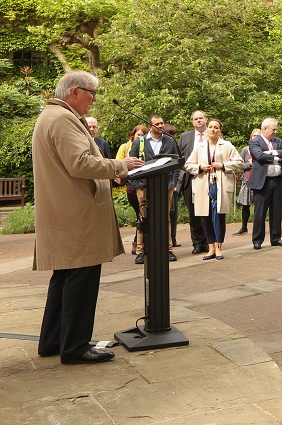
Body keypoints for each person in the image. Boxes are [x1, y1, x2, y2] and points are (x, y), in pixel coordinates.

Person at [33, 71, 143, 365]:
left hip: (67, 212)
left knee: (64, 278)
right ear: (75, 92)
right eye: (92, 93)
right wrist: (121, 165)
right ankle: (76, 347)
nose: (94, 99)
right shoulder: (62, 118)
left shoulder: (53, 115)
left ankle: (54, 341)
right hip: (76, 214)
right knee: (81, 280)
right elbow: (79, 163)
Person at [184, 119, 243, 260]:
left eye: (216, 127)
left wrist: (222, 165)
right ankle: (210, 248)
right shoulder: (200, 146)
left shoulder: (226, 145)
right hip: (204, 184)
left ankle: (218, 247)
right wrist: (200, 167)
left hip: (220, 184)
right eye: (210, 127)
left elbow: (239, 162)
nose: (212, 130)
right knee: (206, 216)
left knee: (219, 216)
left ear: (219, 130)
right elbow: (188, 164)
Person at [128, 115, 180, 264]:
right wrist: (136, 184)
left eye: (162, 123)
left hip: (165, 186)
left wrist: (174, 182)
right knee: (144, 217)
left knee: (165, 217)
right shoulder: (140, 142)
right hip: (144, 186)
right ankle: (140, 250)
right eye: (157, 124)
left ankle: (168, 249)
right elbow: (131, 163)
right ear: (150, 126)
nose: (161, 126)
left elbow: (177, 162)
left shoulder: (169, 140)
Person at [247, 118, 282, 250]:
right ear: (264, 129)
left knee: (276, 211)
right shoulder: (255, 141)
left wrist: (271, 153)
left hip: (277, 180)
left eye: (276, 129)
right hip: (262, 182)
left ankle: (276, 238)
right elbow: (259, 156)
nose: (275, 132)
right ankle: (257, 240)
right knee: (260, 212)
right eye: (273, 129)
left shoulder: (278, 141)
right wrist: (277, 158)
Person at [177, 111, 210, 255]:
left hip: (209, 177)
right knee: (193, 213)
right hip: (190, 179)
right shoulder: (185, 137)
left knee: (207, 211)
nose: (198, 121)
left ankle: (210, 241)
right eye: (195, 119)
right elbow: (179, 158)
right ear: (192, 121)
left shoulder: (214, 133)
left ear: (206, 119)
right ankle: (197, 243)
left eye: (201, 118)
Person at [233, 128, 261, 235]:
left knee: (259, 206)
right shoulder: (246, 150)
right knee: (246, 205)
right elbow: (239, 165)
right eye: (254, 135)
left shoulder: (264, 150)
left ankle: (258, 227)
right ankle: (244, 227)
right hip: (247, 181)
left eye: (258, 135)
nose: (256, 137)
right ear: (251, 137)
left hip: (260, 182)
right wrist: (248, 164)